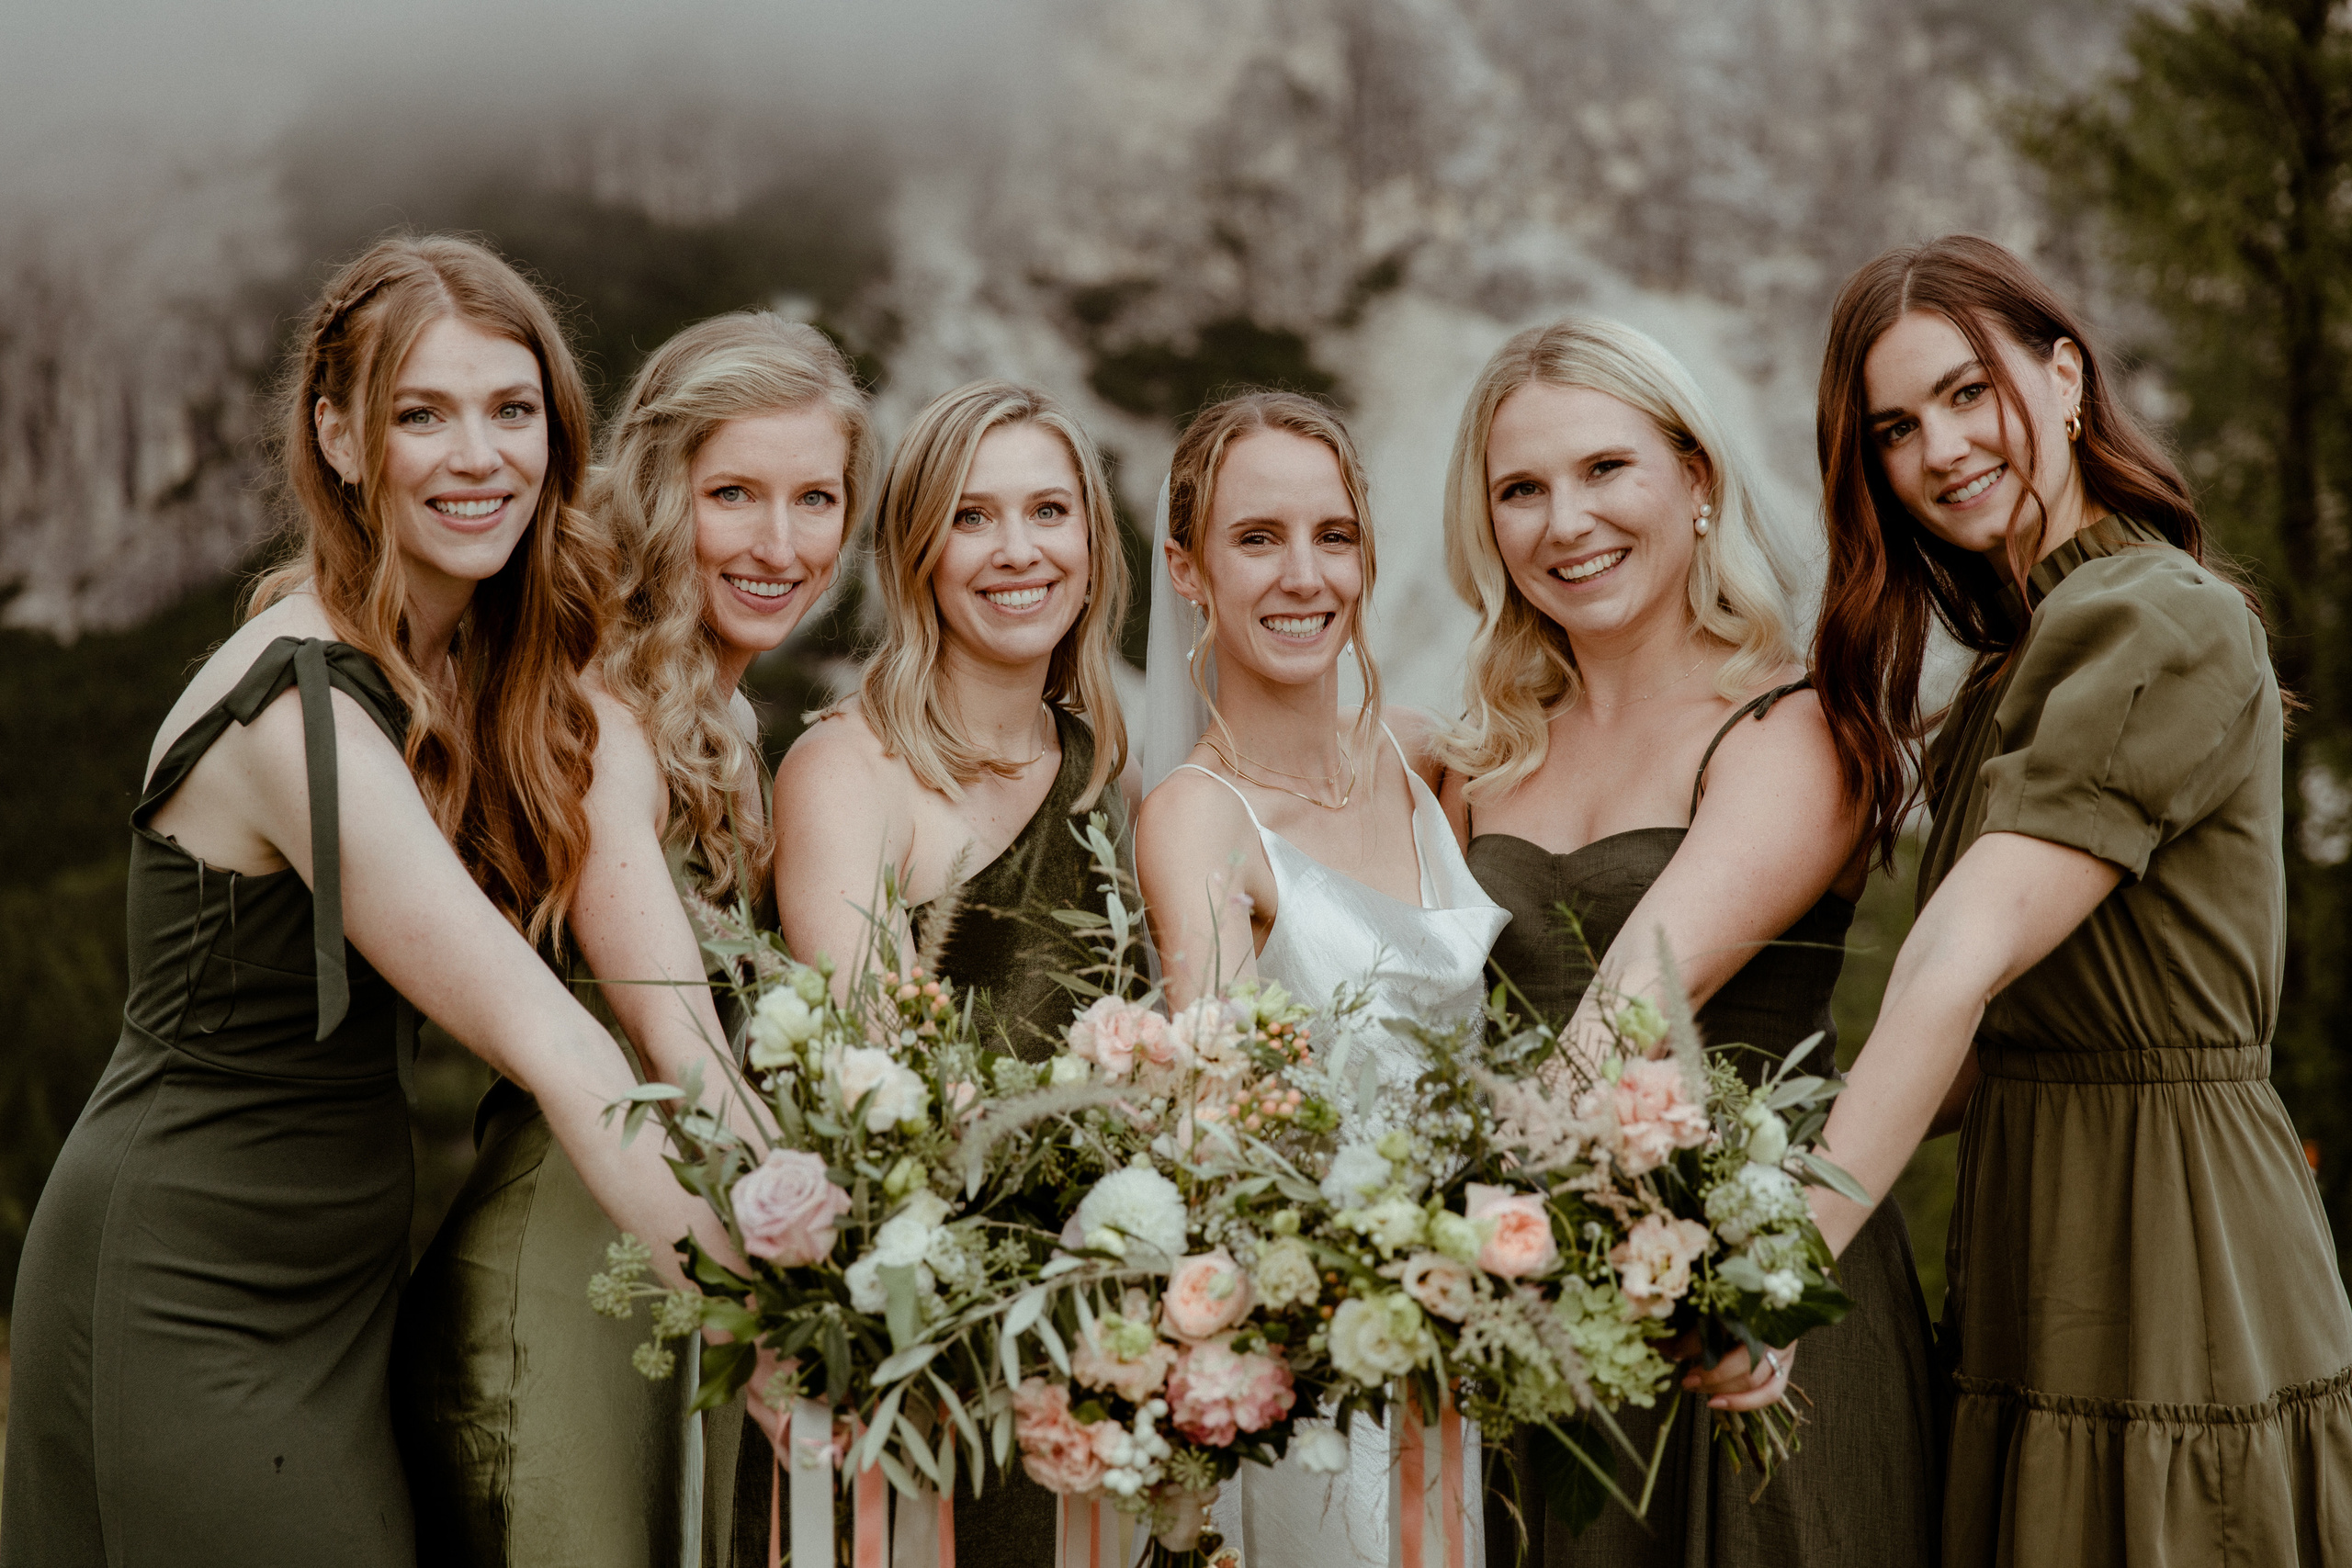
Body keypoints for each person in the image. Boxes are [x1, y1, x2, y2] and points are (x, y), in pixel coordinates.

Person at [0, 235, 741, 1568]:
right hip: (183, 1280)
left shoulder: (476, 666)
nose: (479, 456)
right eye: (422, 415)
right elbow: (557, 1043)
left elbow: (672, 1019)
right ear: (339, 438)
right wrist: (781, 1304)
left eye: (511, 410)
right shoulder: (298, 706)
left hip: (348, 1293)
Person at [1804, 234, 2352, 1565]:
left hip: (2175, 1244)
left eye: (1967, 392)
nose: (1940, 449)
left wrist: (1784, 1250)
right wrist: (1732, 1151)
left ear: (2063, 378)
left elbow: (1963, 951)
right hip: (2035, 1247)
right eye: (1895, 428)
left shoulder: (2158, 615)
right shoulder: (2016, 665)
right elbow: (1986, 1038)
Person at [1433, 316, 1940, 1565]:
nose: (1566, 521)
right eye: (1521, 489)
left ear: (1695, 477)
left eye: (1606, 468)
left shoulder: (1794, 727)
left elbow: (1630, 1006)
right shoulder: (1475, 763)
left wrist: (1432, 1240)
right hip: (1541, 1320)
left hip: (1754, 1312)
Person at [393, 310, 876, 1568]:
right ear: (664, 494)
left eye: (816, 499)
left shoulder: (728, 723)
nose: (780, 545)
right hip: (567, 1287)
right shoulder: (600, 711)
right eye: (734, 495)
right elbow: (676, 1037)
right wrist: (841, 1281)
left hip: (686, 1275)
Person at [1135, 390, 1509, 1568]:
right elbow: (1227, 1124)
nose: (1304, 576)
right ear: (1186, 570)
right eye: (1257, 539)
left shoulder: (1425, 756)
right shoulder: (1197, 819)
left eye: (1332, 536)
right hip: (1334, 1355)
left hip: (1495, 1324)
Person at [767, 378, 1130, 1561]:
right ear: (917, 552)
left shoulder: (1102, 773)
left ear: (1092, 544)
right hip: (919, 1352)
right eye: (972, 517)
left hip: (1092, 1353)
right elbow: (871, 1101)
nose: (1017, 551)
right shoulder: (847, 772)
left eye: (1048, 512)